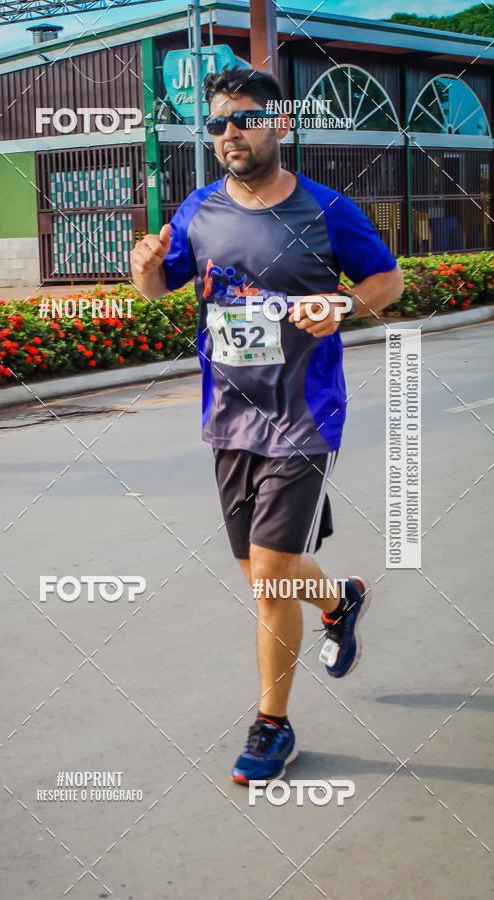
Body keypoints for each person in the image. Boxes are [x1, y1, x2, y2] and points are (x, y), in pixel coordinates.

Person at [130, 66, 404, 784]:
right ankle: (340, 600)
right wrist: (144, 268)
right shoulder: (197, 210)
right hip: (228, 420)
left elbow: (389, 280)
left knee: (270, 578)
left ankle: (272, 725)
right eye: (216, 124)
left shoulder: (327, 209)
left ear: (279, 123)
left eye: (244, 118)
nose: (229, 134)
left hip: (304, 418)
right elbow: (163, 288)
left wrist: (342, 307)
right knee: (260, 567)